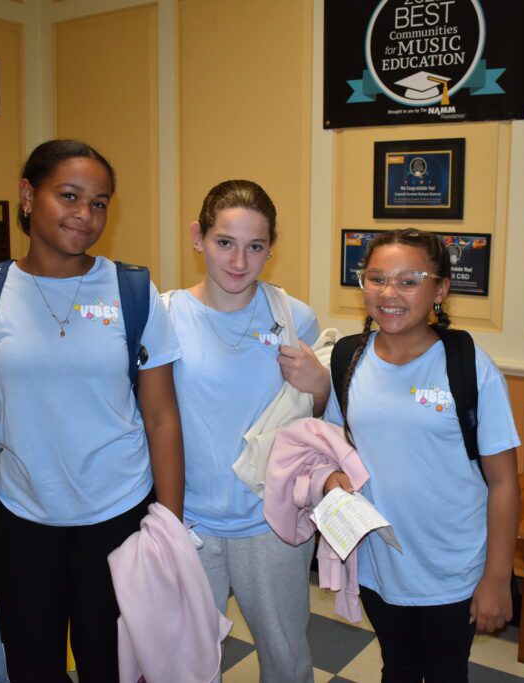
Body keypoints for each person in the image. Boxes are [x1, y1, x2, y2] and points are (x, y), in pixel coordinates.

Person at [0, 139, 184, 682]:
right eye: (69, 196)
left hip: (118, 514)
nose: (86, 215)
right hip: (24, 516)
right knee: (32, 666)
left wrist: (169, 530)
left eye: (99, 203)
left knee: (113, 666)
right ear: (28, 196)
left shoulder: (133, 292)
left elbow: (162, 418)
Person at [324, 228, 521, 682]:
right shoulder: (348, 360)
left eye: (409, 281)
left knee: (444, 671)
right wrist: (333, 477)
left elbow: (504, 481)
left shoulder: (469, 366)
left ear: (441, 290)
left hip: (452, 571)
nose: (389, 293)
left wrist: (496, 577)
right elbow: (335, 448)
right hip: (379, 565)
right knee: (398, 666)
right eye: (376, 278)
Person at [164, 179, 330, 683]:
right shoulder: (164, 314)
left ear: (271, 249)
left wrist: (321, 387)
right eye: (225, 243)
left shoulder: (293, 316)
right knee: (188, 665)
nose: (239, 261)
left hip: (272, 525)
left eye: (255, 246)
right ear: (198, 237)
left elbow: (318, 425)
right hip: (189, 522)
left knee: (285, 657)